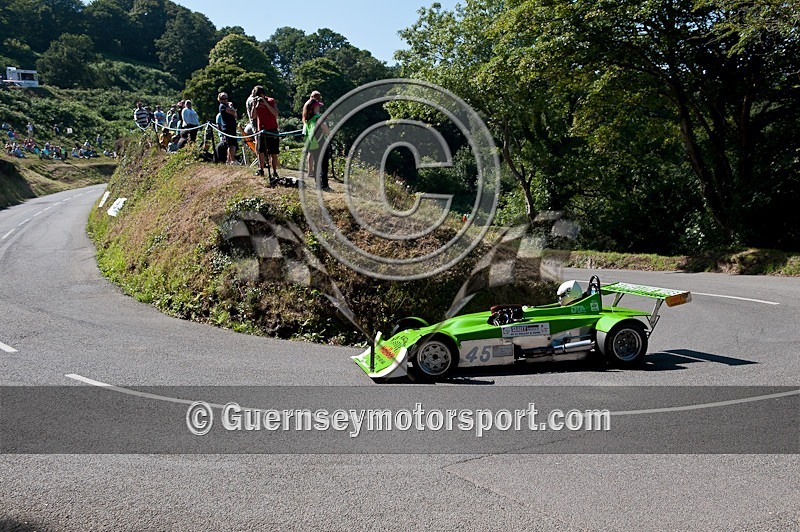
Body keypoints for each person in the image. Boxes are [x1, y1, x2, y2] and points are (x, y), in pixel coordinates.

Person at [302, 98, 331, 191]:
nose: (319, 108)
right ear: (313, 108)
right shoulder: (317, 117)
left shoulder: (307, 119)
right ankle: (324, 185)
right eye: (317, 106)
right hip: (321, 142)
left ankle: (317, 184)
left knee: (316, 164)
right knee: (324, 164)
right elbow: (325, 129)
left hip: (313, 144)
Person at [252, 89, 280, 179]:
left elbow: (275, 113)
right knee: (260, 151)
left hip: (272, 129)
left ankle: (274, 171)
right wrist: (255, 105)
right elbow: (253, 116)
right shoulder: (257, 104)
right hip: (261, 130)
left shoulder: (271, 101)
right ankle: (261, 169)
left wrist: (265, 103)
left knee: (273, 152)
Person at [217, 92, 239, 165]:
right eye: (223, 98)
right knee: (231, 144)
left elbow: (235, 115)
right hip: (228, 127)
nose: (225, 100)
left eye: (226, 98)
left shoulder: (225, 106)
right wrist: (231, 107)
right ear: (219, 99)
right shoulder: (222, 106)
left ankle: (229, 160)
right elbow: (233, 112)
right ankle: (232, 160)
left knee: (232, 144)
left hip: (231, 126)